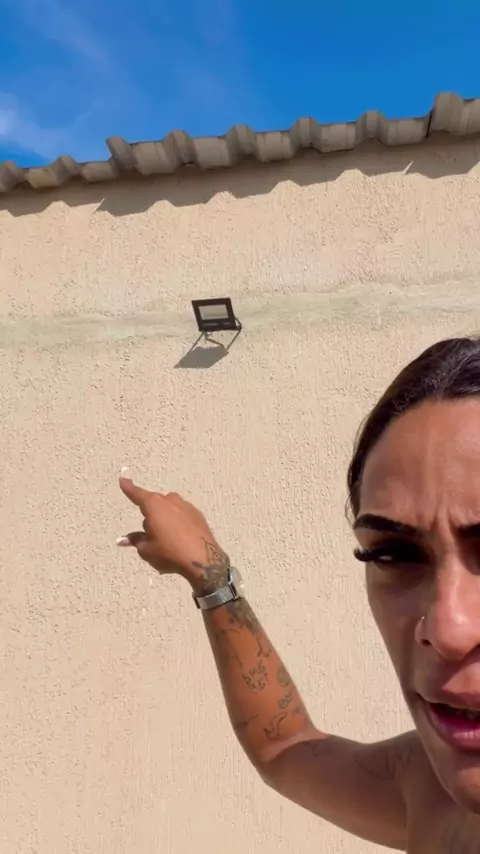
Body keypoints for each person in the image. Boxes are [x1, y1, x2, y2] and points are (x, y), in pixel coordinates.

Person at [117, 336, 480, 853]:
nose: (449, 629)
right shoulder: (427, 793)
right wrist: (212, 579)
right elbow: (284, 744)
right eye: (394, 554)